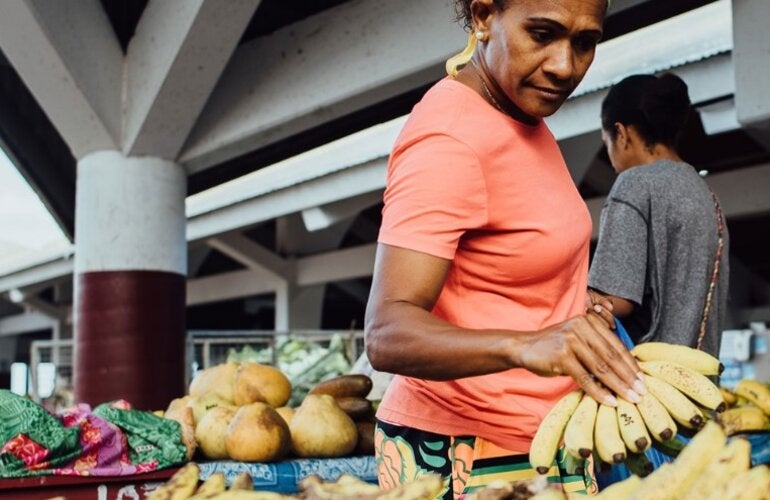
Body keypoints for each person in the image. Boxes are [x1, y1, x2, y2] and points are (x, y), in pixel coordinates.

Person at [363, 1, 644, 497]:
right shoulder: (448, 138)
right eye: (542, 34)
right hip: (467, 451)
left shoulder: (520, 115)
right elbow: (387, 331)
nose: (564, 66)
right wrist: (525, 343)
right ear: (484, 16)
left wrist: (575, 309)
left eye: (585, 43)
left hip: (545, 438)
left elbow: (504, 269)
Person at [588, 73, 730, 357]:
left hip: (647, 382)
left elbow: (615, 300)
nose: (612, 158)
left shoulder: (635, 184)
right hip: (697, 383)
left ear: (622, 133)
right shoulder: (705, 195)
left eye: (607, 143)